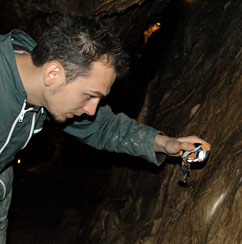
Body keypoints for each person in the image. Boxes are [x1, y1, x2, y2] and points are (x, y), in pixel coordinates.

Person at [0, 15, 209, 243]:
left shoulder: (46, 89)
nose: (91, 110)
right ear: (53, 73)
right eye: (89, 95)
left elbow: (103, 126)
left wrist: (166, 144)